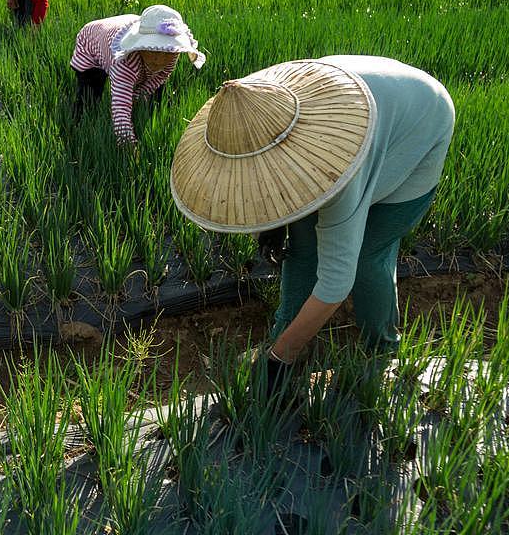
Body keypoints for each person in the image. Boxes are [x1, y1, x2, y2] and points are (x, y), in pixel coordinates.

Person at [169, 56, 455, 394]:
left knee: (367, 258)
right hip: (361, 105)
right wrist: (272, 227)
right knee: (301, 246)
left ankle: (381, 351)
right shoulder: (253, 106)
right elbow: (277, 198)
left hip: (420, 121)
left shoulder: (336, 169)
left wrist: (279, 359)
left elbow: (337, 282)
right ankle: (287, 332)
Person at [70, 5, 205, 146]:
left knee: (154, 97)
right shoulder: (124, 62)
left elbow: (159, 78)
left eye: (167, 52)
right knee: (90, 94)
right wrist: (128, 144)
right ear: (139, 46)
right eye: (153, 50)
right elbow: (120, 108)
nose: (159, 60)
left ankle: (148, 117)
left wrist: (139, 96)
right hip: (92, 40)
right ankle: (76, 127)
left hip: (122, 26)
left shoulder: (171, 57)